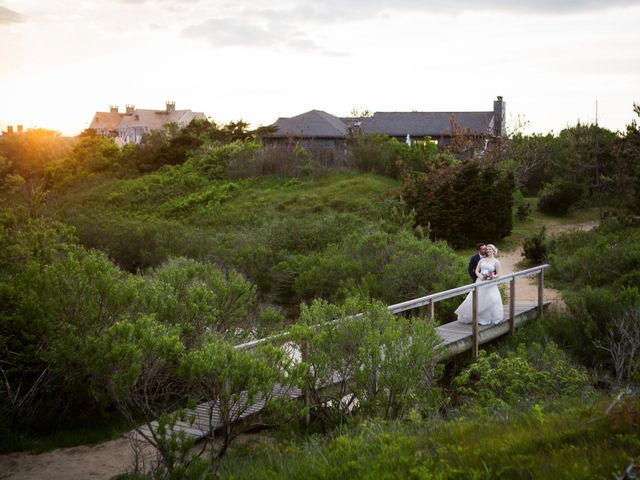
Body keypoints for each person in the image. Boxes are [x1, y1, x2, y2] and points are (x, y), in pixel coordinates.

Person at [456, 244, 504, 325]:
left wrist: (492, 276)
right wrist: (480, 277)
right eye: (487, 249)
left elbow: (498, 274)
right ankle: (474, 317)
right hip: (480, 281)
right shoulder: (482, 260)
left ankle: (487, 318)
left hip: (490, 283)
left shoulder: (496, 262)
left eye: (490, 249)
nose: (488, 251)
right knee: (476, 298)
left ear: (493, 251)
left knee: (491, 299)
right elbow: (476, 271)